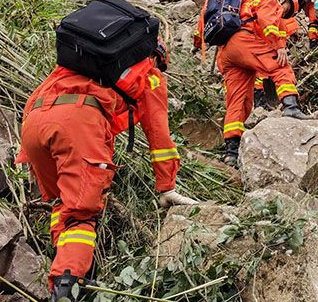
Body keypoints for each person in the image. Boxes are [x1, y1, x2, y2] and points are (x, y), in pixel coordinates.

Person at [17, 41, 197, 301]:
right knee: (80, 216)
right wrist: (166, 185)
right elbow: (159, 136)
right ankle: (68, 288)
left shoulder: (82, 61)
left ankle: (68, 266)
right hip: (76, 123)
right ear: (157, 58)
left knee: (62, 204)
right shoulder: (149, 73)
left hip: (34, 120)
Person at [197, 0, 311, 167]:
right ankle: (291, 107)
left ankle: (231, 151)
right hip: (244, 42)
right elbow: (267, 21)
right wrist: (279, 46)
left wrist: (198, 44)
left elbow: (202, 26)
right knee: (280, 66)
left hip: (225, 52)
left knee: (238, 100)